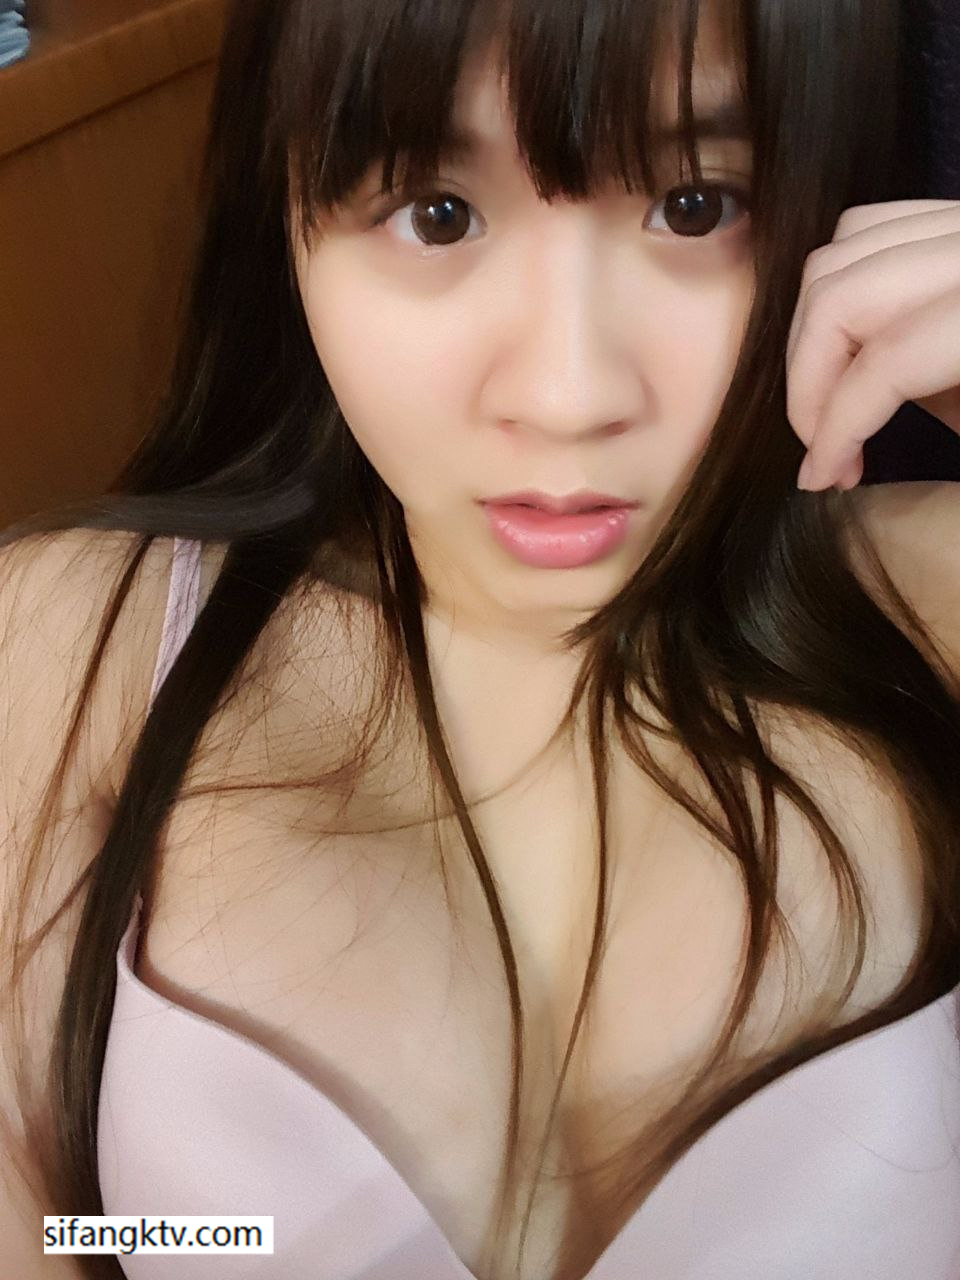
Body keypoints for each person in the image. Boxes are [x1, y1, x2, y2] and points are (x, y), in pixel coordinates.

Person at [1, 0, 959, 1277]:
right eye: (438, 213)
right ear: (287, 214)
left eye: (695, 207)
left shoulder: (932, 607)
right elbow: (62, 1228)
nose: (568, 396)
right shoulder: (77, 644)